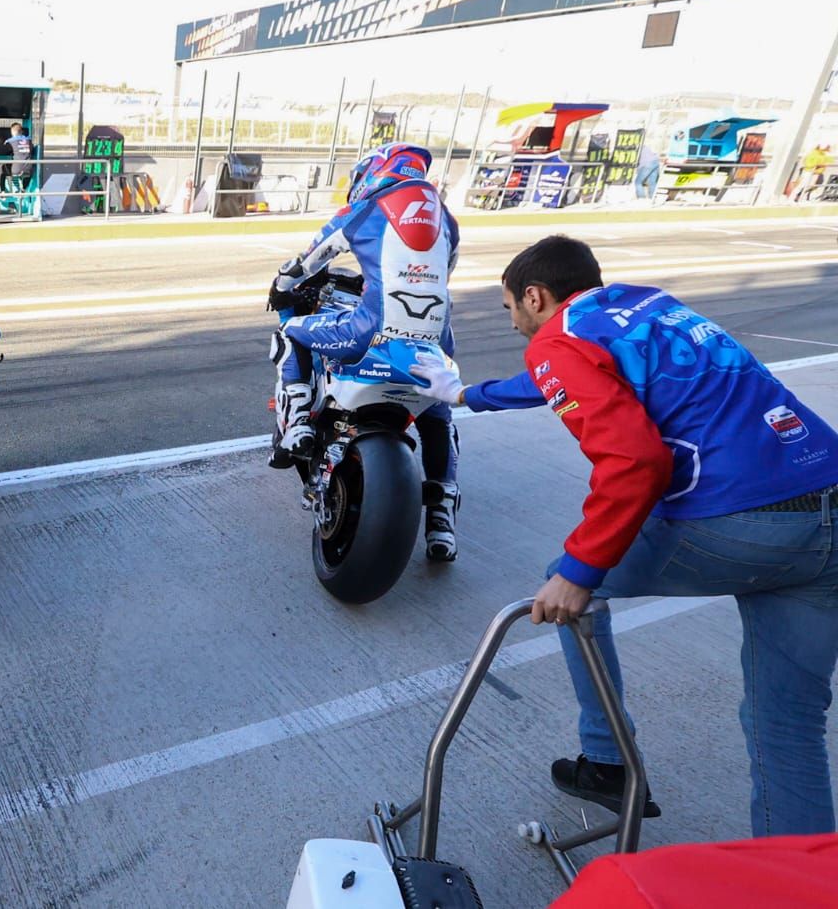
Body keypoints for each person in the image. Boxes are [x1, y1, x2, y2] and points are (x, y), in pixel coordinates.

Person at [414, 234, 838, 836]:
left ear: (534, 295)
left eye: (510, 308)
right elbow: (566, 379)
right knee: (789, 726)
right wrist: (464, 395)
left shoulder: (558, 339)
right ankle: (802, 884)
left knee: (564, 586)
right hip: (829, 510)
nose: (512, 322)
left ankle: (608, 760)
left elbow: (636, 461)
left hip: (741, 521)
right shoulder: (644, 307)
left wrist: (581, 571)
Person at [267, 142, 464, 561]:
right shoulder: (447, 219)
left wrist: (283, 286)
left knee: (294, 332)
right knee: (438, 411)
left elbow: (311, 261)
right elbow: (437, 274)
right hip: (435, 338)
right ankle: (442, 516)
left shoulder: (365, 207)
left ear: (370, 174)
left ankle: (298, 424)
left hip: (368, 330)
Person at [0, 121, 37, 194]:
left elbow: (0, 151)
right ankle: (23, 189)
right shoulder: (28, 140)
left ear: (12, 132)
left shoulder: (11, 141)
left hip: (16, 169)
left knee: (1, 168)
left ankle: (2, 191)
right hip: (29, 169)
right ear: (21, 131)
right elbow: (31, 150)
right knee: (25, 174)